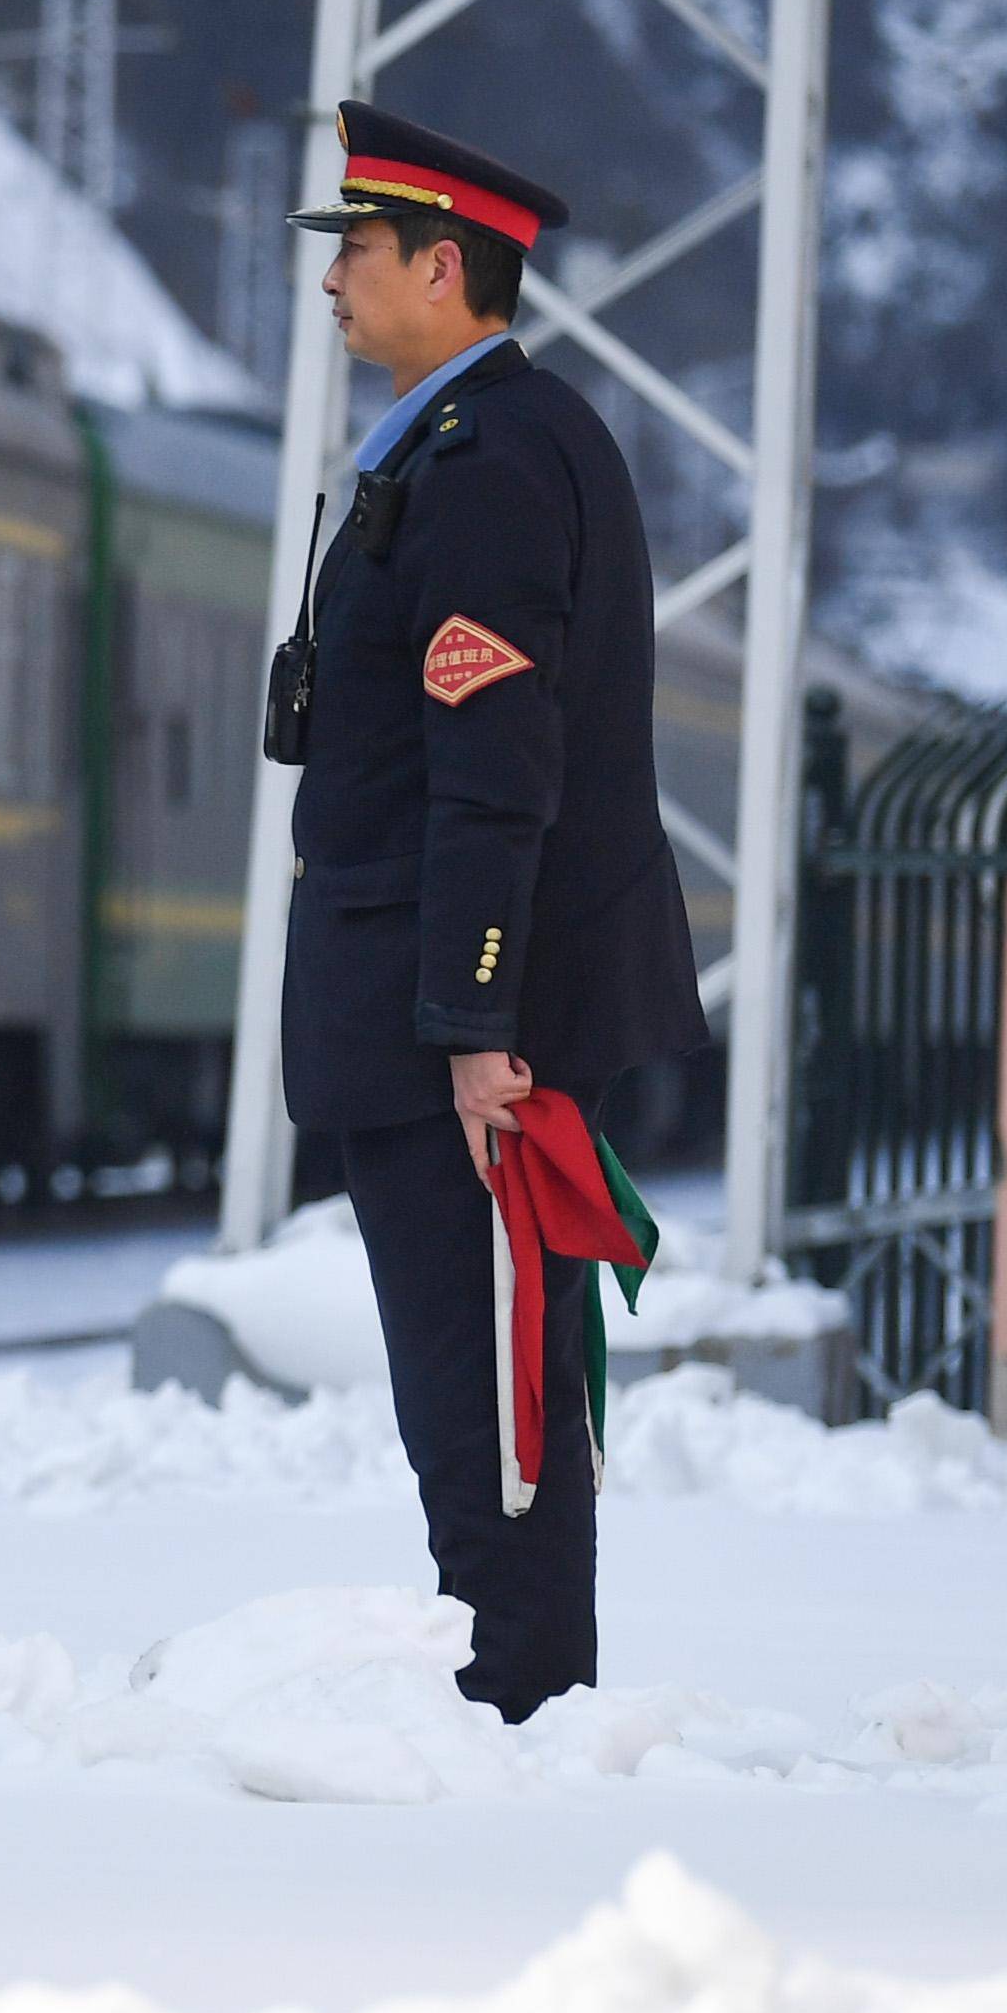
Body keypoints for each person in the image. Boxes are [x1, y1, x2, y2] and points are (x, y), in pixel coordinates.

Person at [274, 103, 708, 1718]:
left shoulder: (492, 465)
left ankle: (519, 1699)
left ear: (444, 269)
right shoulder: (470, 449)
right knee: (476, 1379)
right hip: (431, 1015)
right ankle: (518, 1682)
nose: (334, 282)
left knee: (487, 1388)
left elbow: (495, 766)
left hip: (450, 1030)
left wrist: (474, 1026)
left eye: (361, 253)